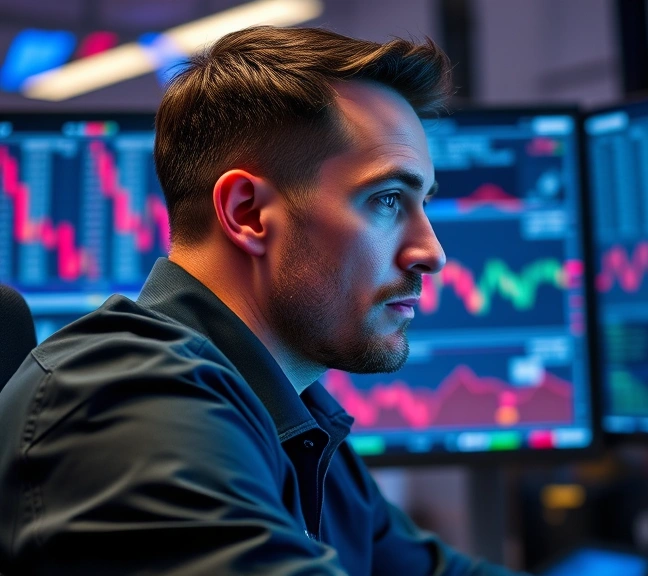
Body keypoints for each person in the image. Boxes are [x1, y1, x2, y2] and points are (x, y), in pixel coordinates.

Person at [0, 26, 526, 576]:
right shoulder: (122, 403)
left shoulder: (297, 420)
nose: (432, 253)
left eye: (424, 203)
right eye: (388, 199)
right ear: (247, 213)